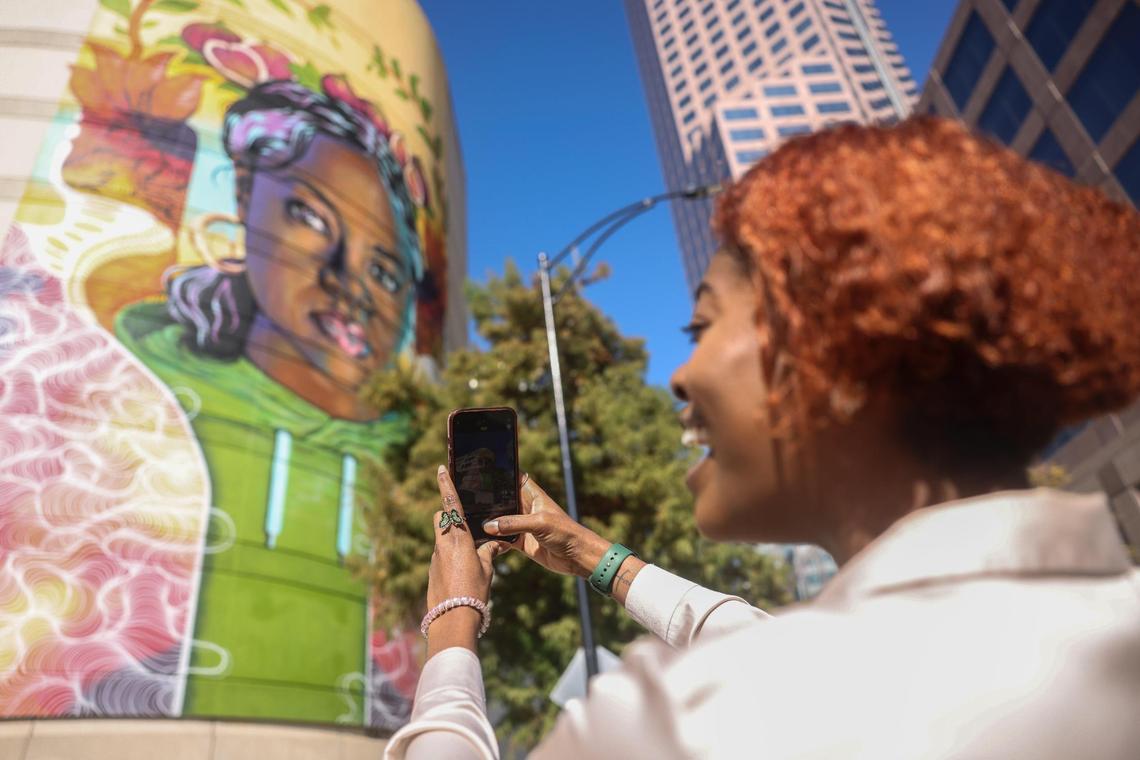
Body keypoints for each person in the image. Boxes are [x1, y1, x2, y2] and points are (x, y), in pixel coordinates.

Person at [384, 117, 1140, 758]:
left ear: (841, 352)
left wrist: (452, 626)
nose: (680, 376)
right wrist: (591, 553)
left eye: (701, 326)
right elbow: (760, 636)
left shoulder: (691, 721)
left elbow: (768, 663)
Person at [115, 79, 424, 723]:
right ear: (245, 197)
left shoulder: (418, 466)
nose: (350, 281)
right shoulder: (136, 383)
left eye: (386, 271)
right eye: (310, 216)